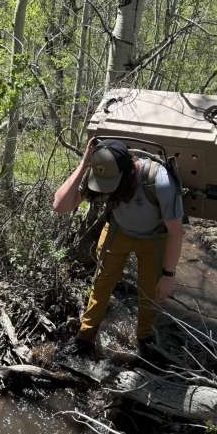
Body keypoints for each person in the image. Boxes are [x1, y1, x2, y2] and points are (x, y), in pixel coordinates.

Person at [53, 137, 184, 358]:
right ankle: (84, 339)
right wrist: (85, 162)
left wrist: (168, 275)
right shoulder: (102, 170)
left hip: (153, 239)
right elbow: (60, 205)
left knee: (149, 293)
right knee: (101, 286)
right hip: (117, 232)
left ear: (129, 171)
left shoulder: (159, 180)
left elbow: (176, 231)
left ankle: (145, 340)